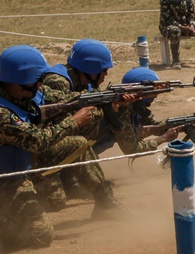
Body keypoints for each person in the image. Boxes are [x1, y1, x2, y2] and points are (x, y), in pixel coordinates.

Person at [0, 46, 99, 249]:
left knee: (55, 200)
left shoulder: (25, 93)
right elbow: (39, 141)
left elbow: (66, 99)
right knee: (39, 235)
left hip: (21, 167)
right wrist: (75, 121)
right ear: (18, 81)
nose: (40, 85)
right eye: (36, 80)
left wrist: (102, 102)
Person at [39, 39, 130, 211]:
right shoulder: (58, 82)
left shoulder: (83, 81)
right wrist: (106, 110)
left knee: (96, 129)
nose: (106, 75)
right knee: (54, 201)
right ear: (91, 70)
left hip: (49, 141)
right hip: (38, 146)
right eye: (104, 71)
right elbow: (68, 123)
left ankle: (80, 183)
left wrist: (116, 104)